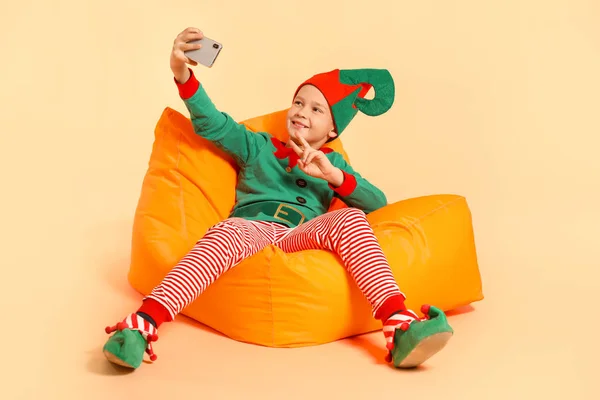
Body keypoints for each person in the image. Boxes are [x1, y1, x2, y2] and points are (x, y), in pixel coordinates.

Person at [103, 27, 454, 370]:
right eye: (298, 102)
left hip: (301, 236)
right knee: (224, 233)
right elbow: (212, 123)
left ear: (332, 130)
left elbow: (379, 205)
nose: (302, 111)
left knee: (350, 218)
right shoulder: (259, 145)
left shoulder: (334, 163)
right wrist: (182, 74)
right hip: (254, 227)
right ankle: (142, 324)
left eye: (317, 109)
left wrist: (333, 176)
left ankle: (398, 324)